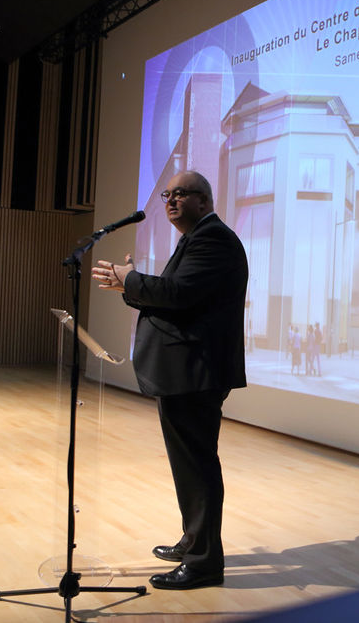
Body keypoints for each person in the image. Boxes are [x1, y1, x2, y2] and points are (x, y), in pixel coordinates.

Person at [91, 170, 248, 590]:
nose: (171, 201)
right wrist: (129, 285)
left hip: (195, 372)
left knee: (196, 467)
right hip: (187, 373)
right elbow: (174, 295)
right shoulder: (195, 239)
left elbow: (178, 295)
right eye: (167, 194)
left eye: (182, 194)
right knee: (189, 465)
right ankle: (195, 542)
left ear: (205, 200)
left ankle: (203, 564)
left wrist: (132, 280)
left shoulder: (213, 239)